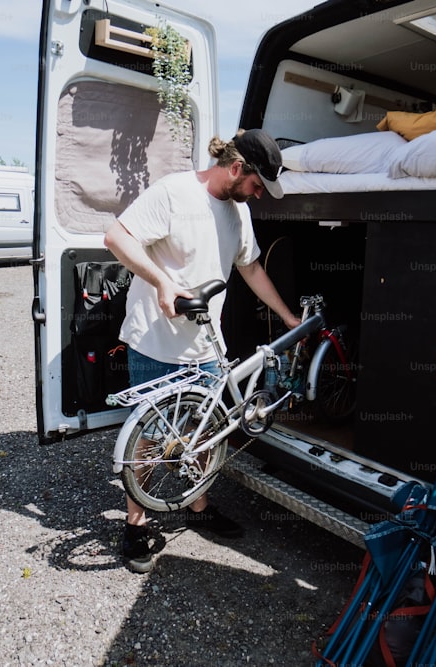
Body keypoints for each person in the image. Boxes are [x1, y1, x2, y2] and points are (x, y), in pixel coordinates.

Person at [104, 129, 302, 573]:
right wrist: (162, 281)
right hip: (157, 339)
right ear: (236, 169)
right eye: (256, 185)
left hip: (205, 344)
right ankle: (136, 527)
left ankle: (198, 507)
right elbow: (116, 237)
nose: (258, 196)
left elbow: (248, 267)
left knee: (202, 432)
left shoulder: (238, 211)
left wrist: (288, 317)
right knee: (152, 441)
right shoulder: (174, 193)